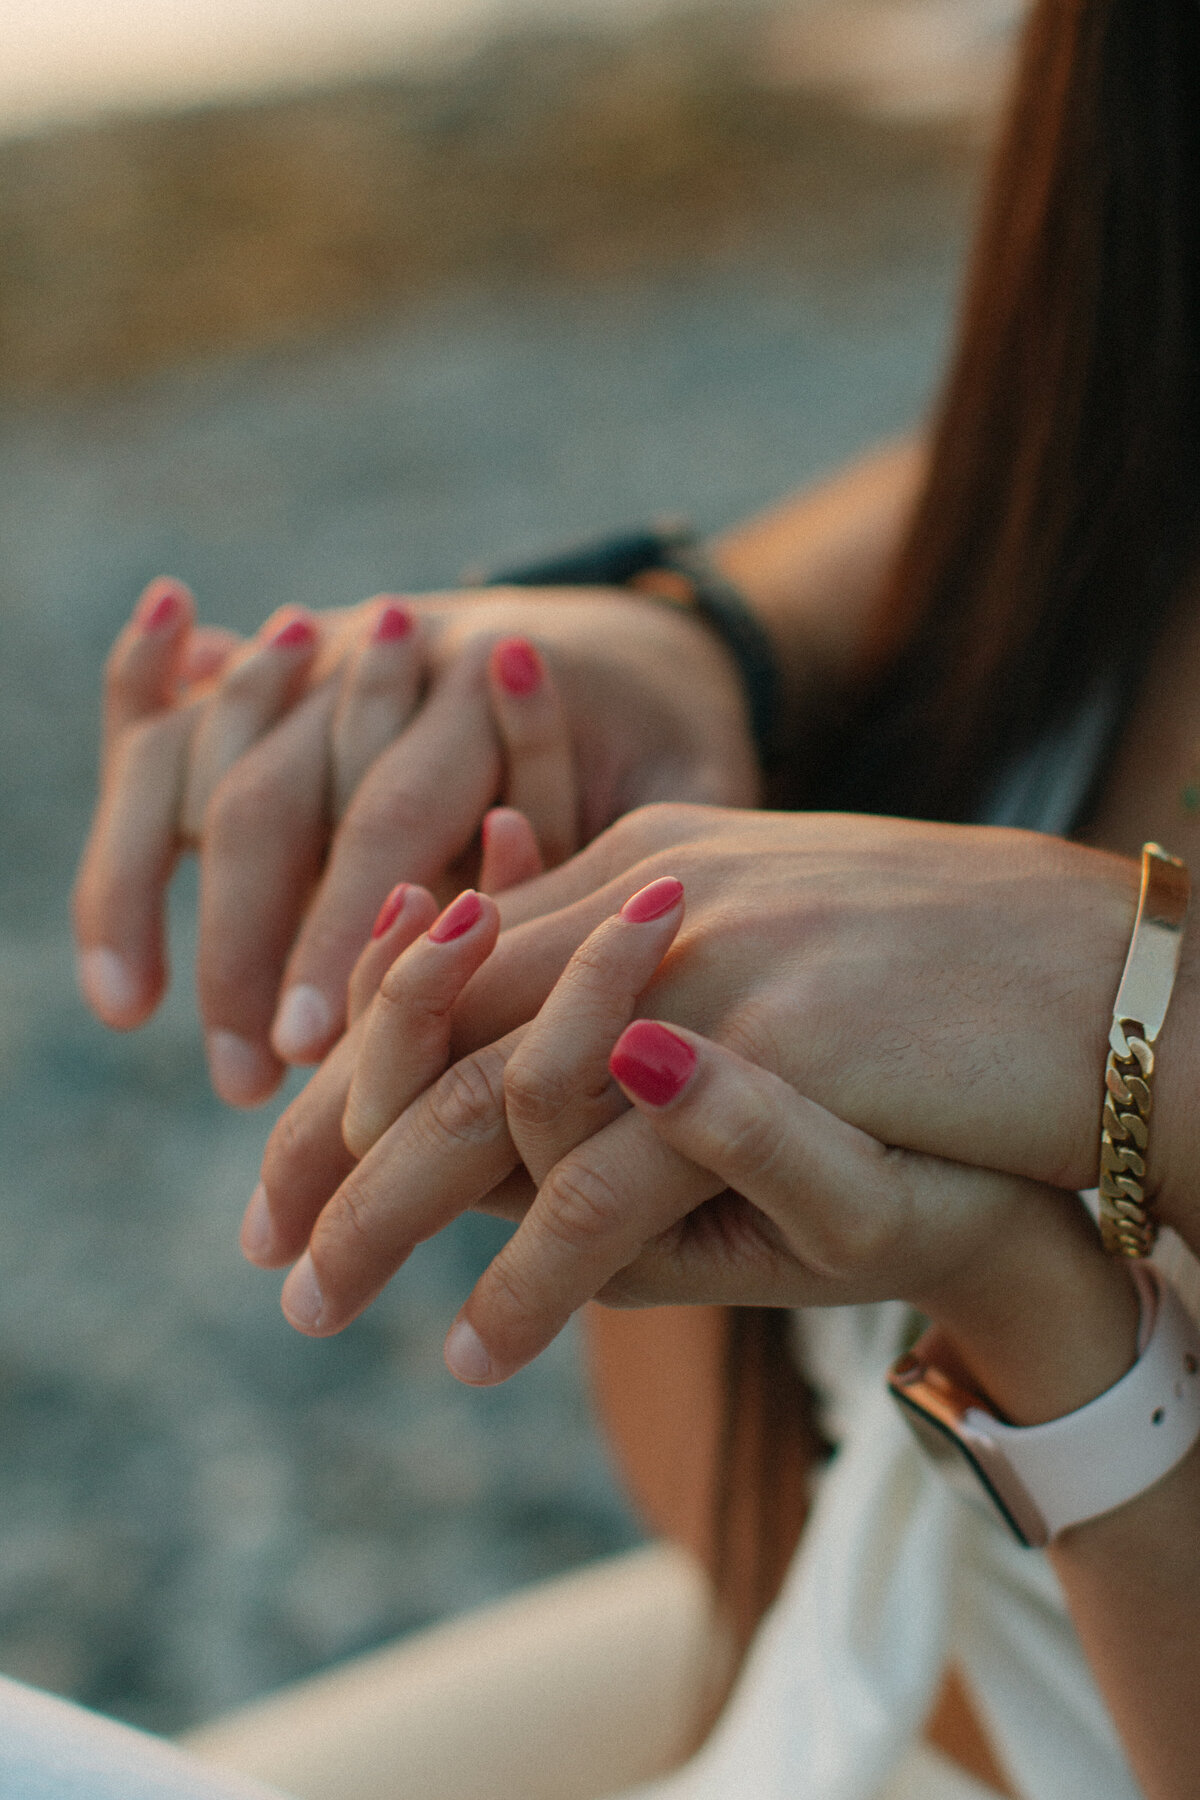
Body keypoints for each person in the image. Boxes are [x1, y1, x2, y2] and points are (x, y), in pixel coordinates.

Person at [46, 0, 1200, 1796]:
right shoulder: (1124, 409)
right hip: (826, 1683)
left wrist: (1115, 1022)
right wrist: (700, 639)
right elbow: (1070, 456)